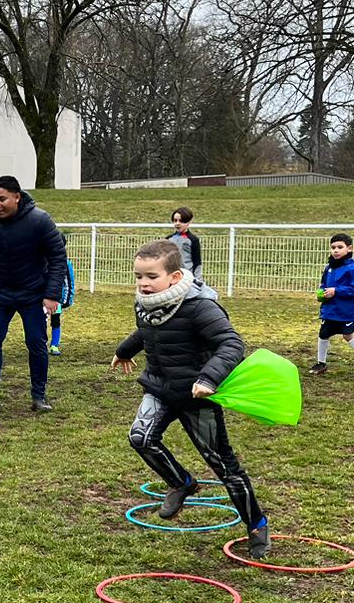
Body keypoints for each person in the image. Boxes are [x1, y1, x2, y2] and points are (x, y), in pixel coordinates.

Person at [111, 240, 270, 559]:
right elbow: (147, 330)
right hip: (160, 387)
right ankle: (181, 482)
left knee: (224, 466)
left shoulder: (200, 306)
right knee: (140, 438)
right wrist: (125, 350)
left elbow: (231, 344)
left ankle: (256, 524)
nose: (143, 283)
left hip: (197, 395)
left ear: (174, 276)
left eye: (151, 276)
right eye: (138, 276)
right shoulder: (146, 302)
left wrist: (208, 378)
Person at [0, 175, 68, 413]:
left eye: (2, 199)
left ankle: (39, 397)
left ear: (17, 197)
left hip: (32, 295)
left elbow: (58, 258)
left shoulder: (40, 220)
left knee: (36, 343)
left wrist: (51, 295)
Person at [308, 232, 354, 378]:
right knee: (323, 334)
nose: (336, 250)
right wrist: (322, 292)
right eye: (333, 247)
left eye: (340, 247)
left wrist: (337, 291)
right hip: (329, 309)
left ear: (349, 249)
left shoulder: (352, 268)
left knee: (348, 335)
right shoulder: (329, 268)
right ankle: (321, 362)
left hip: (345, 311)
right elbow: (324, 283)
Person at [165, 206, 218, 299]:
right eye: (175, 220)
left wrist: (197, 280)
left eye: (181, 221)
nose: (177, 223)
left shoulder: (193, 240)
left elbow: (197, 262)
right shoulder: (168, 239)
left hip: (187, 277)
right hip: (172, 276)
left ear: (189, 222)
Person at [50, 253, 76, 355]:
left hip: (57, 298)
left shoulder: (64, 262)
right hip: (39, 297)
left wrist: (66, 300)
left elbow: (69, 282)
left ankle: (54, 345)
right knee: (40, 321)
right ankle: (40, 344)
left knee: (55, 319)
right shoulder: (40, 259)